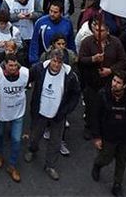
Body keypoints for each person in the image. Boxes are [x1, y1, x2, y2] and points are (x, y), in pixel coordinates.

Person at [24, 49, 80, 181]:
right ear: (50, 59)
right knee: (35, 135)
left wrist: (66, 110)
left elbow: (75, 94)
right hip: (40, 111)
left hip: (59, 114)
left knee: (55, 141)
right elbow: (26, 78)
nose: (56, 64)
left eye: (59, 62)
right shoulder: (39, 68)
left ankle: (50, 165)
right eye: (54, 61)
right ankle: (32, 150)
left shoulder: (70, 75)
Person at [0, 54, 28, 183]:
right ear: (5, 65)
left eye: (15, 65)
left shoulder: (25, 73)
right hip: (1, 110)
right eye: (10, 65)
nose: (13, 68)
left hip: (18, 111)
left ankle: (12, 165)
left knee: (16, 139)